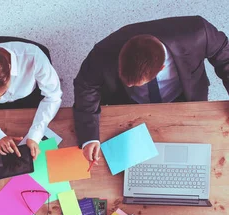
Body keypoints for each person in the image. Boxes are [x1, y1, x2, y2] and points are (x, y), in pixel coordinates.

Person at [73, 16, 229, 164]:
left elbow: (226, 58)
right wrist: (89, 137)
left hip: (185, 97)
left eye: (136, 84)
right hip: (130, 105)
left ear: (161, 68)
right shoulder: (102, 52)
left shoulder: (199, 32)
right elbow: (85, 86)